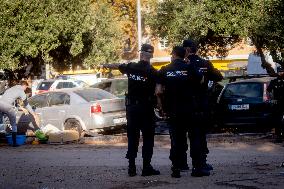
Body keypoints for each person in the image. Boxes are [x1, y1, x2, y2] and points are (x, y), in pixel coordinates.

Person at [103, 44, 160, 177]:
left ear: (141, 54)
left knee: (133, 137)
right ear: (151, 56)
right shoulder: (153, 72)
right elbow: (158, 92)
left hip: (132, 109)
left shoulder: (131, 67)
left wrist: (105, 64)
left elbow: (117, 66)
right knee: (147, 138)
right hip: (146, 109)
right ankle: (146, 167)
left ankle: (132, 167)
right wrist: (161, 108)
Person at [156, 46, 204, 178]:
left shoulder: (165, 70)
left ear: (173, 54)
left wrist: (161, 108)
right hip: (190, 109)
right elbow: (201, 80)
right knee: (194, 138)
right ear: (184, 56)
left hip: (173, 110)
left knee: (176, 140)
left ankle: (176, 168)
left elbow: (158, 91)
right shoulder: (190, 67)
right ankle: (197, 168)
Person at [182, 39, 223, 173]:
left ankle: (189, 164)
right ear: (196, 49)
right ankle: (201, 163)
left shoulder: (182, 64)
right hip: (202, 104)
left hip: (187, 104)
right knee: (200, 135)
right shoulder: (205, 63)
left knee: (191, 135)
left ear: (186, 50)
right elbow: (219, 76)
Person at [0, 81, 38, 147]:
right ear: (24, 86)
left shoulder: (12, 88)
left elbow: (11, 98)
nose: (25, 89)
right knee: (14, 124)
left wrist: (20, 108)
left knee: (0, 123)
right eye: (26, 87)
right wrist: (33, 114)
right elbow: (26, 104)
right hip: (8, 107)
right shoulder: (21, 91)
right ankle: (14, 143)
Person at [267, 67, 284, 142]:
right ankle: (278, 136)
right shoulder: (274, 82)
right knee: (278, 121)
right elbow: (268, 91)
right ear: (277, 72)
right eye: (279, 71)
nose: (281, 73)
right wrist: (271, 99)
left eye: (282, 71)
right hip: (278, 104)